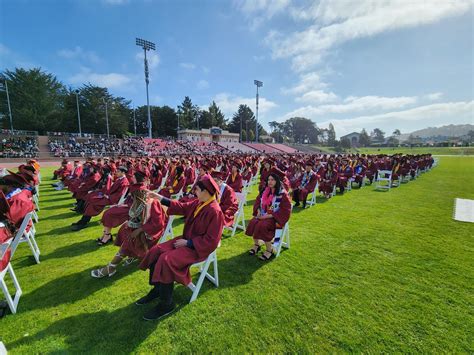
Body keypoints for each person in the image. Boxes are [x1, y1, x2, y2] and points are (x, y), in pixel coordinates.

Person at [136, 175, 224, 321]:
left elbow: (212, 240)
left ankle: (167, 304)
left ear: (206, 191)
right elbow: (181, 206)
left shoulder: (215, 211)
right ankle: (158, 289)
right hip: (186, 242)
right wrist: (160, 198)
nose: (194, 191)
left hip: (197, 248)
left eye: (197, 189)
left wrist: (189, 243)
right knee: (156, 251)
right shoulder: (199, 203)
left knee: (166, 259)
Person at [91, 187, 166, 278]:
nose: (130, 195)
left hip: (153, 231)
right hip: (144, 227)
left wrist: (139, 230)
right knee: (125, 229)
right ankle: (130, 254)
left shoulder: (152, 203)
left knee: (130, 239)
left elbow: (158, 224)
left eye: (132, 194)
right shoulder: (139, 201)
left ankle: (111, 267)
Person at [246, 169, 291, 261]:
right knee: (253, 222)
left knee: (263, 225)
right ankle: (257, 244)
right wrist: (258, 211)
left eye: (272, 180)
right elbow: (258, 202)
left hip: (275, 218)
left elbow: (285, 210)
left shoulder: (283, 194)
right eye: (269, 179)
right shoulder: (265, 191)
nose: (270, 182)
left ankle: (269, 250)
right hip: (262, 214)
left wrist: (268, 216)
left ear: (277, 181)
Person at [71, 166, 130, 231]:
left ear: (123, 172)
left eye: (118, 171)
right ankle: (83, 220)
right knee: (91, 199)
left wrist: (107, 196)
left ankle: (83, 222)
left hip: (112, 199)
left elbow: (120, 194)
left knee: (93, 202)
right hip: (108, 196)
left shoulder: (124, 181)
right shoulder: (120, 179)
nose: (116, 173)